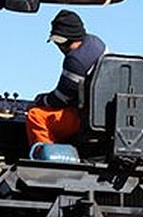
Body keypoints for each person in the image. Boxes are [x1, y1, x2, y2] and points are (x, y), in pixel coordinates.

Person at [25, 9, 106, 146]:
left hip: (85, 118)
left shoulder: (75, 60)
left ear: (65, 41)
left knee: (35, 116)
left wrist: (39, 100)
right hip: (104, 116)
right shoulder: (96, 43)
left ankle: (45, 157)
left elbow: (60, 100)